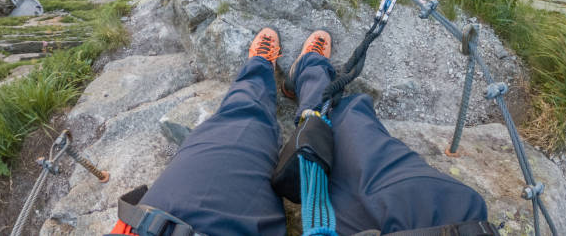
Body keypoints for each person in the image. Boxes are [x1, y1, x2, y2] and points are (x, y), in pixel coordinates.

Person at [108, 28, 490, 236]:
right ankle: (310, 71)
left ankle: (261, 68)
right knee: (351, 121)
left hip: (176, 224)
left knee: (237, 122)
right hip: (444, 222)